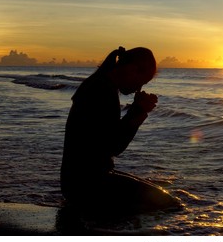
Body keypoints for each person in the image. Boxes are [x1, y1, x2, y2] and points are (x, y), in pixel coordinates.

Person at [61, 46, 181, 213]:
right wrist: (138, 111)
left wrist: (136, 111)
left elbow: (106, 141)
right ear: (131, 69)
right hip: (87, 184)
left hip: (77, 180)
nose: (138, 88)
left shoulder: (100, 85)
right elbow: (114, 146)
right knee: (170, 204)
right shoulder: (101, 91)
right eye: (141, 81)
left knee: (157, 193)